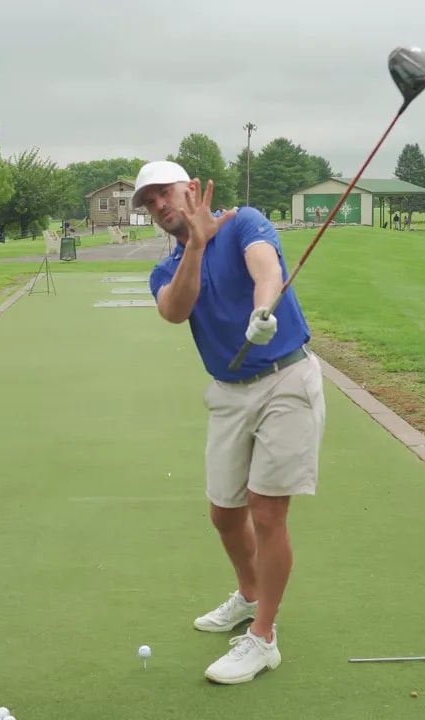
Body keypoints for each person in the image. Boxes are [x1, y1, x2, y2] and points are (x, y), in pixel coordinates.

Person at [132, 160, 327, 685]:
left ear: (192, 189)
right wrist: (196, 246)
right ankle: (249, 594)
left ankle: (263, 638)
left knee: (267, 510)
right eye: (149, 202)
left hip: (285, 378)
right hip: (228, 392)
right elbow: (175, 310)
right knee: (224, 513)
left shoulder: (244, 222)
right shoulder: (165, 269)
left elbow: (266, 270)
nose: (158, 206)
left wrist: (264, 310)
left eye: (164, 193)